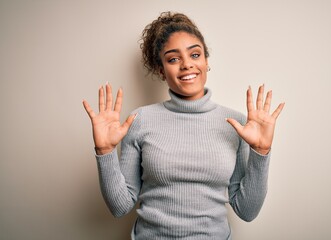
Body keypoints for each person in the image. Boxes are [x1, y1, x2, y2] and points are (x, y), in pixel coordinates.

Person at [83, 11, 284, 240]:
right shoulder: (139, 121)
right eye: (173, 59)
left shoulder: (237, 124)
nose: (187, 65)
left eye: (195, 54)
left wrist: (261, 152)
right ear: (161, 70)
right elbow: (120, 206)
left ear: (206, 62)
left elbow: (247, 211)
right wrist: (104, 151)